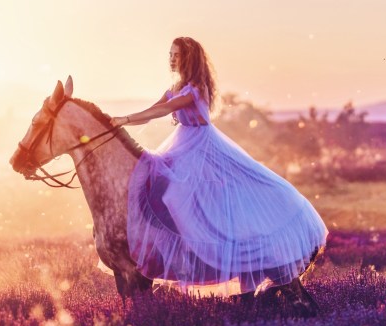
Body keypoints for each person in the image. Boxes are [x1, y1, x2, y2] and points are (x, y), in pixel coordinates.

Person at [110, 36, 328, 295]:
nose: (170, 59)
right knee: (158, 187)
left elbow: (163, 110)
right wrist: (120, 123)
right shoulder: (176, 87)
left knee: (185, 195)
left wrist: (124, 118)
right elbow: (153, 109)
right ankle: (174, 250)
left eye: (176, 54)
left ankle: (200, 248)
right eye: (170, 54)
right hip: (183, 145)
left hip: (203, 148)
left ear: (188, 58)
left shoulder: (195, 88)